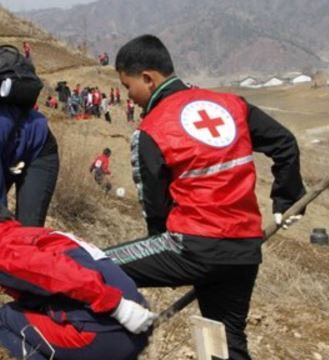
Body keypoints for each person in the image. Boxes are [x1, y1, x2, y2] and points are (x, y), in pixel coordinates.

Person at [103, 34, 306, 360]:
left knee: (92, 267)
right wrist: (286, 199)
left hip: (193, 246)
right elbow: (284, 143)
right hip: (244, 250)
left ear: (148, 78)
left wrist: (165, 254)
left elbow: (154, 207)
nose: (130, 97)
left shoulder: (152, 129)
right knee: (224, 342)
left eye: (128, 87)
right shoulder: (232, 105)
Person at [0, 188, 155, 360]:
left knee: (4, 319)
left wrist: (119, 308)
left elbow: (66, 275)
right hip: (137, 321)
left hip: (110, 333)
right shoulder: (26, 234)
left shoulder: (6, 255)